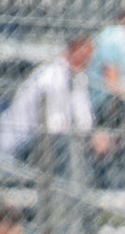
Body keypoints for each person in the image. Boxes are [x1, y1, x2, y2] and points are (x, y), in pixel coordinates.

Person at [0, 34, 110, 166]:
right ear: (72, 50)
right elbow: (52, 123)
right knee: (66, 145)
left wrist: (94, 135)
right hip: (23, 139)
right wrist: (76, 129)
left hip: (52, 140)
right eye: (84, 55)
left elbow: (84, 115)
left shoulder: (79, 78)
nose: (87, 61)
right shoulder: (49, 76)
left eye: (89, 57)